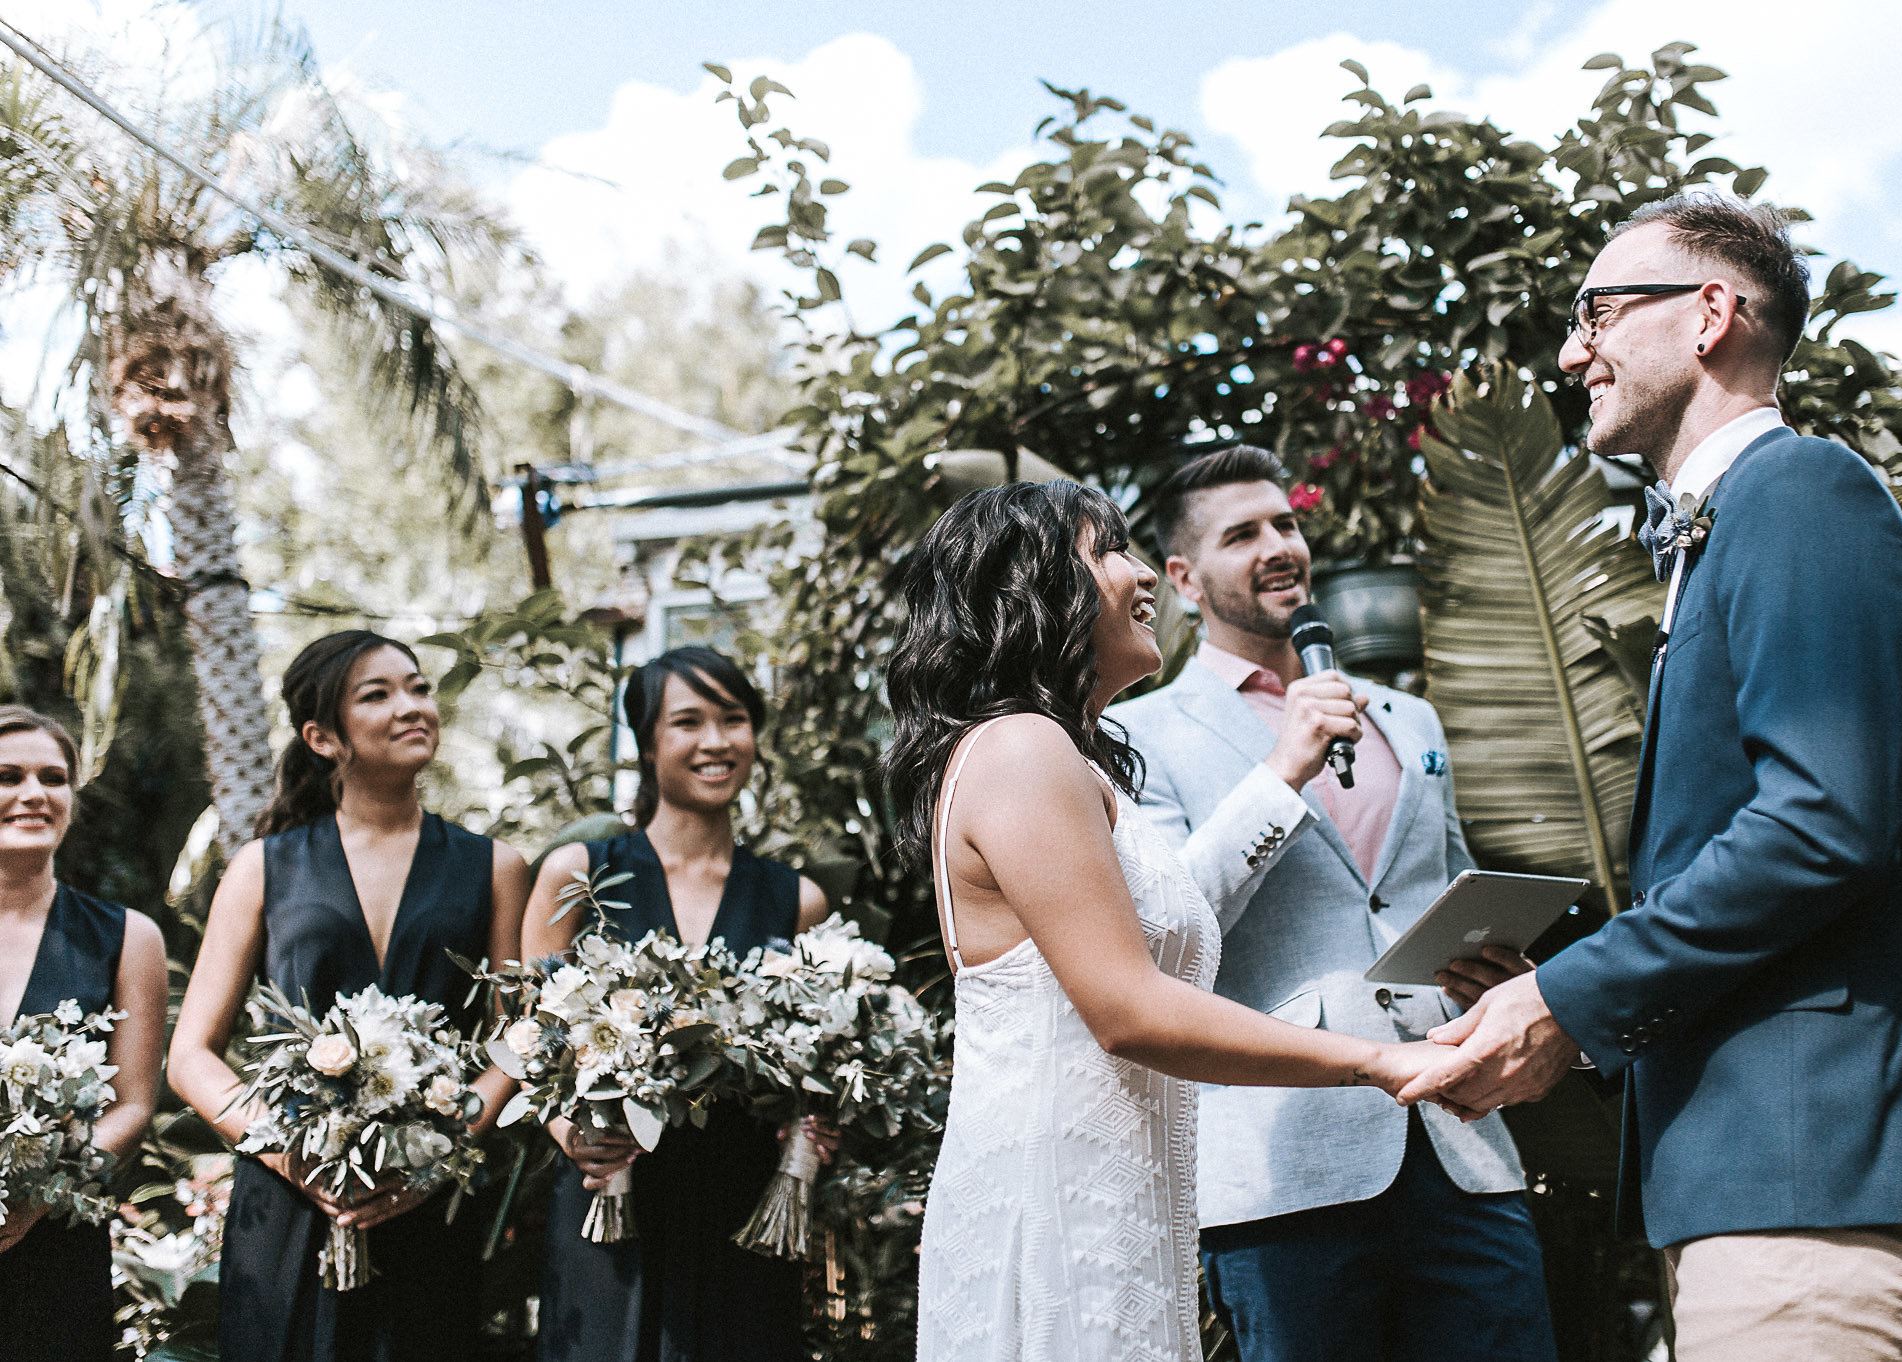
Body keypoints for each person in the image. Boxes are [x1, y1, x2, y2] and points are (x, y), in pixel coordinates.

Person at [1397, 193, 1902, 1361]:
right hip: (1768, 1168)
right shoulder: (1738, 522)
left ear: (1708, 314)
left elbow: (1820, 826)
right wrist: (1555, 992)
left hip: (1818, 1162)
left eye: (1596, 311)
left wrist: (1564, 998)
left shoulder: (1799, 496)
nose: (1568, 350)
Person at [890, 481, 1459, 1362]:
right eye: (1107, 549)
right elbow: (1130, 1010)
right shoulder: (1018, 749)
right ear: (1035, 590)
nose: (1142, 571)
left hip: (1124, 1193)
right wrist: (1379, 1062)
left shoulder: (1071, 760)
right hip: (1060, 1197)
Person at [1111, 445, 1555, 1362]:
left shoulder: (1406, 718)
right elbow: (1166, 931)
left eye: (1286, 524)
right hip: (1286, 1164)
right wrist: (1283, 770)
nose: (1280, 547)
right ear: (1185, 578)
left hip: (1462, 1141)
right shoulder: (1138, 735)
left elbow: (1444, 885)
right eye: (1244, 535)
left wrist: (1501, 962)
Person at [168, 631, 528, 1362]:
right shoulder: (262, 869)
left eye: (419, 687)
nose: (412, 706)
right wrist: (291, 1155)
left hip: (429, 1203)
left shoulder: (496, 867)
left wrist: (439, 1152)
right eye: (379, 694)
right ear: (323, 737)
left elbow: (516, 1039)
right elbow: (191, 1054)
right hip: (289, 1204)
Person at [526, 645, 832, 1362]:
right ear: (648, 744)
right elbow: (525, 1035)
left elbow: (818, 1053)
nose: (717, 742)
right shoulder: (578, 874)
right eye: (689, 722)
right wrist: (569, 1135)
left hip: (741, 1204)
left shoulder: (797, 901)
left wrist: (816, 1125)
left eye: (733, 719)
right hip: (612, 1200)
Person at [0, 706, 168, 1362]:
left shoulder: (128, 938)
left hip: (55, 1244)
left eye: (53, 777)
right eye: (7, 776)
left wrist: (36, 1195)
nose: (34, 794)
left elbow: (132, 1104)